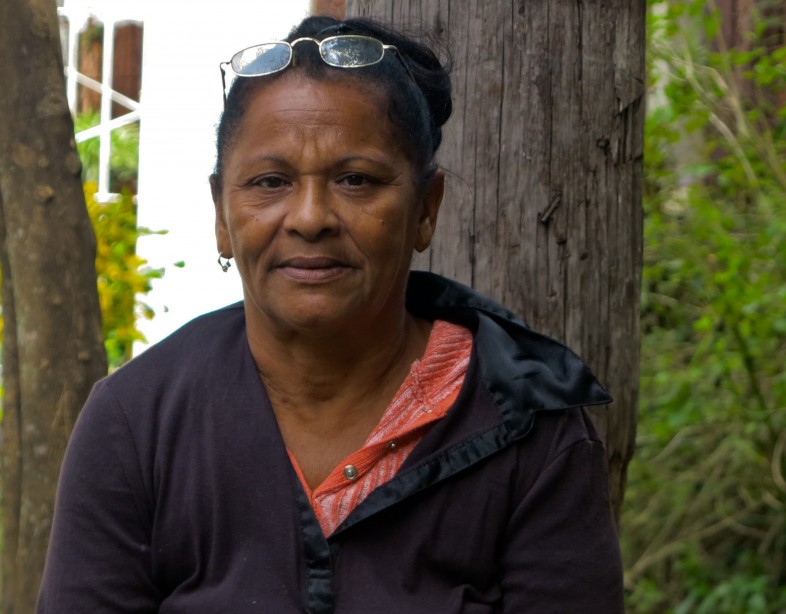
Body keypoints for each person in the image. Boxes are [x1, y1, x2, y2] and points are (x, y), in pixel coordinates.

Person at [38, 15, 623, 613]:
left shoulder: (528, 429)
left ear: (426, 208)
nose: (310, 216)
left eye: (355, 179)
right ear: (221, 214)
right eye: (270, 181)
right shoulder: (137, 423)